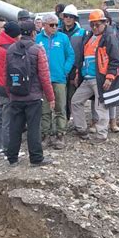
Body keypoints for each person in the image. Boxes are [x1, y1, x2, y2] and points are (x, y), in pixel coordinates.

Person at [5, 20, 55, 167]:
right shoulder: (38, 49)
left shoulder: (11, 49)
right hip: (33, 97)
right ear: (34, 33)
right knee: (34, 127)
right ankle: (36, 158)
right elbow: (45, 76)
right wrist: (50, 97)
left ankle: (12, 158)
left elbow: (5, 74)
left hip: (15, 95)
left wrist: (10, 93)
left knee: (15, 127)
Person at [71, 9, 119, 142]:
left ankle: (101, 135)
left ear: (104, 23)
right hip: (87, 77)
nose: (95, 27)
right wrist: (78, 73)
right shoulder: (89, 37)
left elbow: (115, 60)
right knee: (76, 101)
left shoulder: (109, 37)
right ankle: (81, 128)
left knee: (101, 106)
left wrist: (109, 77)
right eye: (92, 24)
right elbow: (84, 57)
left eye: (97, 24)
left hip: (99, 78)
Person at [36, 12, 74, 149]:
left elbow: (71, 55)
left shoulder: (63, 38)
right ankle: (46, 135)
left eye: (57, 25)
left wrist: (65, 70)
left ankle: (60, 135)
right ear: (44, 25)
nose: (55, 27)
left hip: (59, 79)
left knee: (60, 108)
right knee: (44, 109)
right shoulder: (38, 39)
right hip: (43, 81)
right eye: (52, 25)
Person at [0, 20, 21, 157]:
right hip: (6, 89)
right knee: (8, 120)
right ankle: (9, 150)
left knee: (0, 118)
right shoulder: (10, 49)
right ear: (14, 35)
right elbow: (13, 70)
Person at [59, 4, 88, 120]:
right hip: (60, 69)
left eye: (71, 16)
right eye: (66, 16)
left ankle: (74, 120)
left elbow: (84, 53)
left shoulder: (82, 33)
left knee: (72, 97)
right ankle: (63, 120)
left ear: (75, 18)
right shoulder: (58, 32)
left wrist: (78, 71)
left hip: (74, 69)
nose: (68, 18)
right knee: (60, 97)